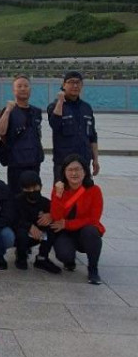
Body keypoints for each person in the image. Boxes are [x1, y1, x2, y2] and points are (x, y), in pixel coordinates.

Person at [50, 154, 105, 285]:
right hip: (65, 232)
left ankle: (93, 269)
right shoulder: (59, 189)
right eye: (70, 169)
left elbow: (93, 219)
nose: (74, 173)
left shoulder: (94, 190)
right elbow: (57, 218)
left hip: (84, 232)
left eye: (78, 169)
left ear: (85, 171)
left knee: (91, 231)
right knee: (64, 254)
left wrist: (67, 224)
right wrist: (58, 195)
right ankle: (69, 261)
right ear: (64, 172)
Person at [48, 70, 99, 182]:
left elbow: (92, 136)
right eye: (71, 82)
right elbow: (54, 124)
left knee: (85, 197)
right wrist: (61, 101)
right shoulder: (55, 106)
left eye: (78, 82)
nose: (75, 85)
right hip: (63, 164)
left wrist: (95, 159)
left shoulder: (87, 108)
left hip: (84, 164)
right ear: (63, 85)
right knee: (63, 197)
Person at [0, 75, 44, 194]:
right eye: (19, 86)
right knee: (15, 197)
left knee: (33, 195)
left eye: (26, 86)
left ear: (30, 90)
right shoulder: (8, 110)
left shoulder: (36, 112)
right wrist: (7, 110)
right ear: (14, 90)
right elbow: (0, 131)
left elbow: (38, 134)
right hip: (16, 163)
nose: (23, 89)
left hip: (34, 162)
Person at [13, 169, 60, 274]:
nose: (32, 191)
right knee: (21, 233)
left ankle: (42, 258)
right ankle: (21, 257)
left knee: (53, 228)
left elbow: (58, 214)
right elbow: (13, 219)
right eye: (28, 188)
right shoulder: (16, 201)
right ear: (22, 189)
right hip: (21, 235)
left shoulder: (46, 203)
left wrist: (51, 216)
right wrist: (29, 226)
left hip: (40, 235)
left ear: (40, 186)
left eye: (35, 187)